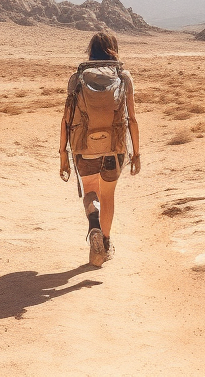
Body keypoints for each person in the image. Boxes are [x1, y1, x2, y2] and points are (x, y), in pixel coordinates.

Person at [59, 31, 140, 266]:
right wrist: (136, 154)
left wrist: (63, 155)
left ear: (90, 51)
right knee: (108, 195)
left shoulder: (77, 78)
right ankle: (104, 243)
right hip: (115, 147)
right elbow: (132, 119)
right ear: (113, 49)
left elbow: (66, 120)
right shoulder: (123, 77)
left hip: (84, 147)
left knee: (91, 192)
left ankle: (93, 226)